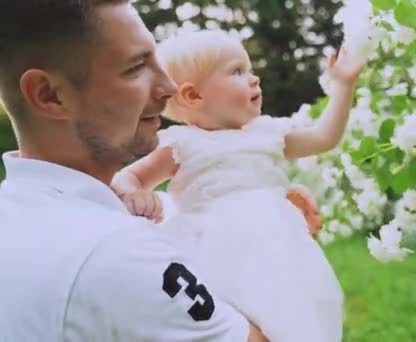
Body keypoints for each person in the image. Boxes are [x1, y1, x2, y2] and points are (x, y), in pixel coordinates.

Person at [0, 1, 267, 341]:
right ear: (50, 95)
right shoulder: (115, 250)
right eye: (136, 68)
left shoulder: (18, 217)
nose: (169, 86)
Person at [111, 29, 368, 342]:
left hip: (280, 252)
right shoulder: (183, 144)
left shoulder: (267, 133)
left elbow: (323, 137)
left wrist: (344, 84)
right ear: (193, 96)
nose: (254, 78)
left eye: (249, 68)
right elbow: (128, 177)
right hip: (217, 255)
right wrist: (135, 193)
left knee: (295, 315)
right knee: (236, 322)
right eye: (236, 71)